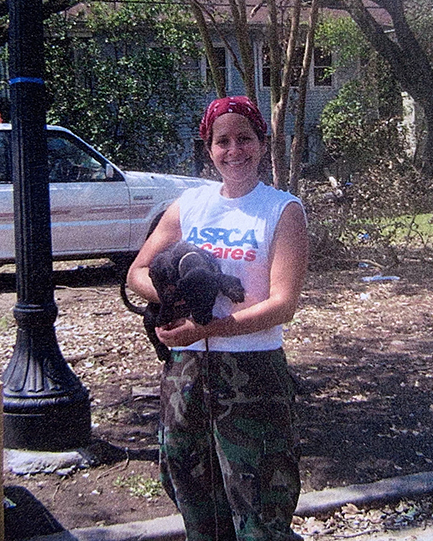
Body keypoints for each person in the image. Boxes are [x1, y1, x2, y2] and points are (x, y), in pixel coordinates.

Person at [126, 95, 307, 541]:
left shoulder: (282, 210)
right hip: (185, 373)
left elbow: (283, 304)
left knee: (261, 499)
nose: (233, 150)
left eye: (244, 138)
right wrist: (175, 300)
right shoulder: (189, 206)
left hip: (252, 374)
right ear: (208, 148)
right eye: (221, 140)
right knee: (191, 490)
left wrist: (210, 326)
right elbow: (137, 273)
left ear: (263, 143)